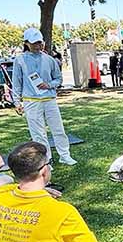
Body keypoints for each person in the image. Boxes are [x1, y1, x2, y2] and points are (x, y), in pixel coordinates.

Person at [13, 28, 77, 166]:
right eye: (34, 43)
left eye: (39, 42)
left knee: (58, 129)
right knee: (38, 133)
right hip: (31, 101)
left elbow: (58, 79)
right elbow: (16, 82)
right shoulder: (19, 60)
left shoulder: (49, 59)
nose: (38, 46)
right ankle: (46, 159)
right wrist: (16, 101)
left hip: (49, 100)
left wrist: (48, 85)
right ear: (26, 43)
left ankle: (64, 155)